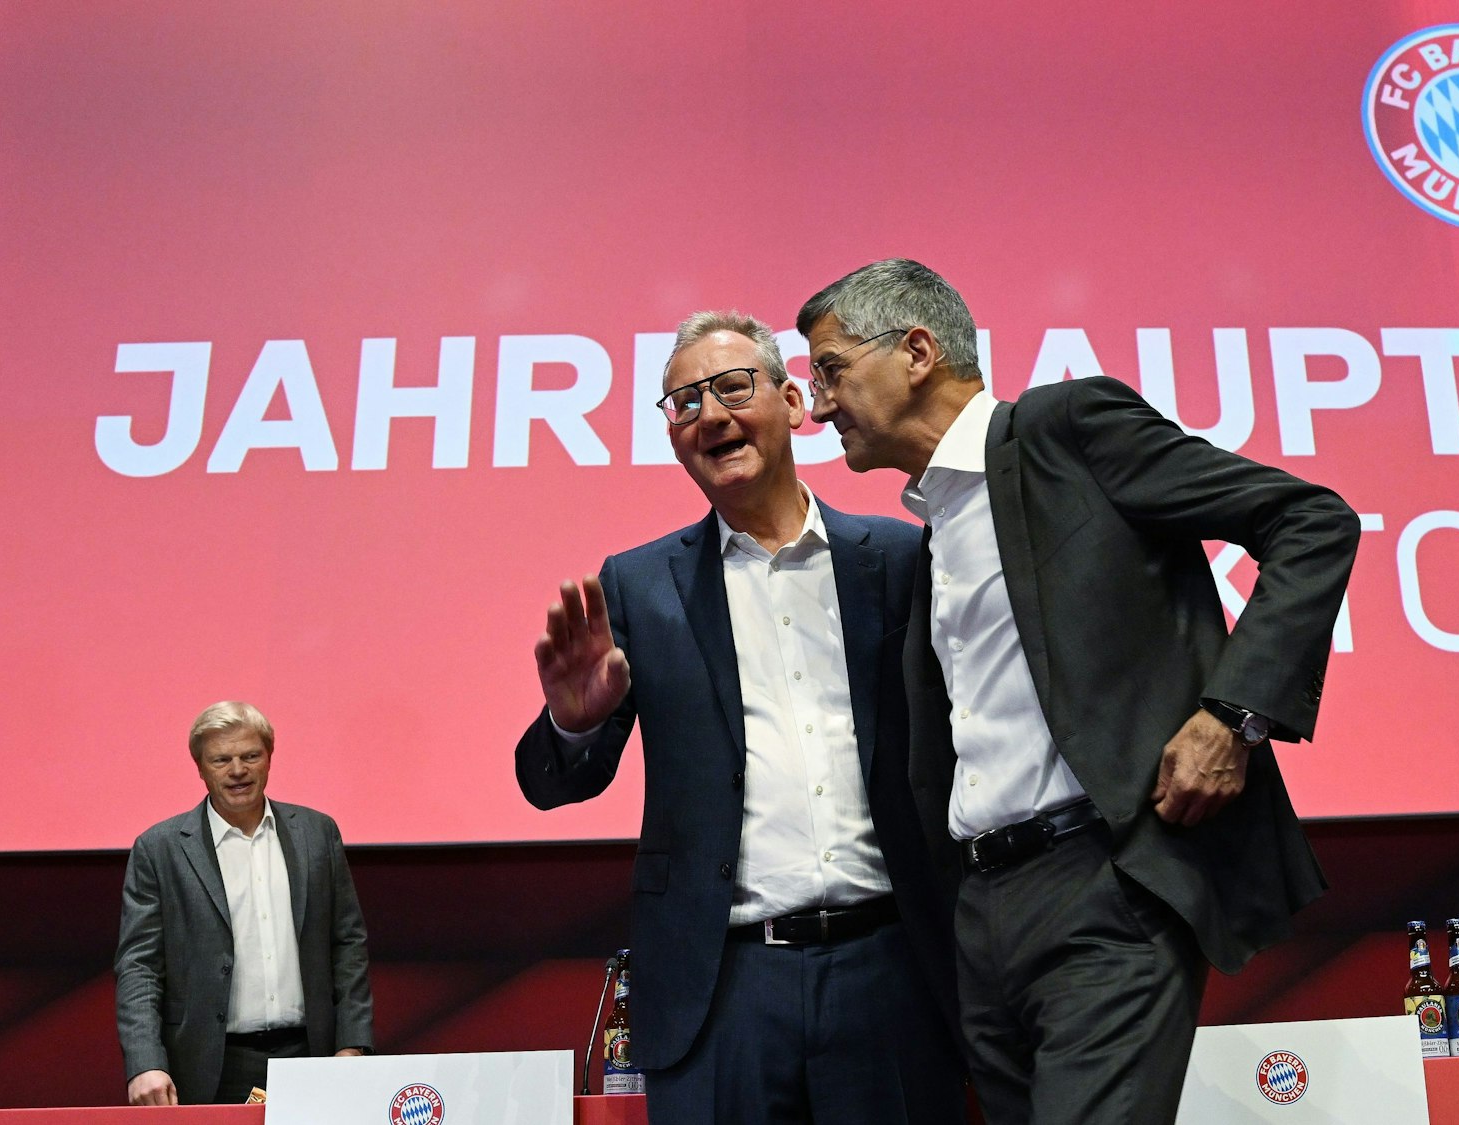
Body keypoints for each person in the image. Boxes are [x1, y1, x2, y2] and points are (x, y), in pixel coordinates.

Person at [797, 259, 1361, 1125]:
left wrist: (1231, 717)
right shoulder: (931, 531)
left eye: (830, 369)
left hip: (1107, 882)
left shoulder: (1068, 429)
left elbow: (1312, 521)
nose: (821, 405)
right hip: (981, 914)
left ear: (916, 351)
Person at [516, 311, 963, 1125]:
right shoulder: (641, 583)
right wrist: (576, 723)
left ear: (794, 402)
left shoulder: (899, 559)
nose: (711, 415)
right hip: (722, 989)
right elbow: (555, 783)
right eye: (684, 402)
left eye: (732, 387)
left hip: (891, 967)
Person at [113, 702, 374, 1105]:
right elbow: (139, 967)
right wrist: (146, 1061)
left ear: (269, 758)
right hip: (207, 1066)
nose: (238, 770)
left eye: (250, 755)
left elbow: (348, 945)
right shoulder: (159, 849)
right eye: (221, 759)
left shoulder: (317, 834)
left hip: (313, 1057)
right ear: (199, 767)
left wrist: (353, 1043)